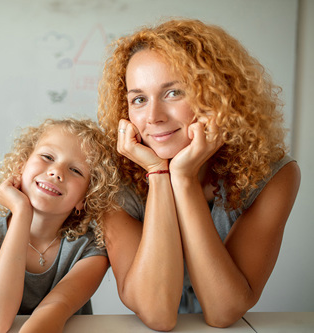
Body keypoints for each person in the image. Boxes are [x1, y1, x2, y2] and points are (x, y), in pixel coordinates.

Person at [97, 18, 301, 331]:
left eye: (173, 93)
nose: (153, 117)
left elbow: (224, 311)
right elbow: (157, 314)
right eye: (139, 99)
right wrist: (158, 172)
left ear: (215, 96)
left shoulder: (273, 174)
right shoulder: (108, 177)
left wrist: (184, 179)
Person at [0, 118, 120, 333]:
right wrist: (22, 212)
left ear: (85, 197)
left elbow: (54, 309)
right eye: (47, 157)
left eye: (76, 170)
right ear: (21, 165)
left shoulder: (91, 247)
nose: (56, 172)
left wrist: (22, 213)